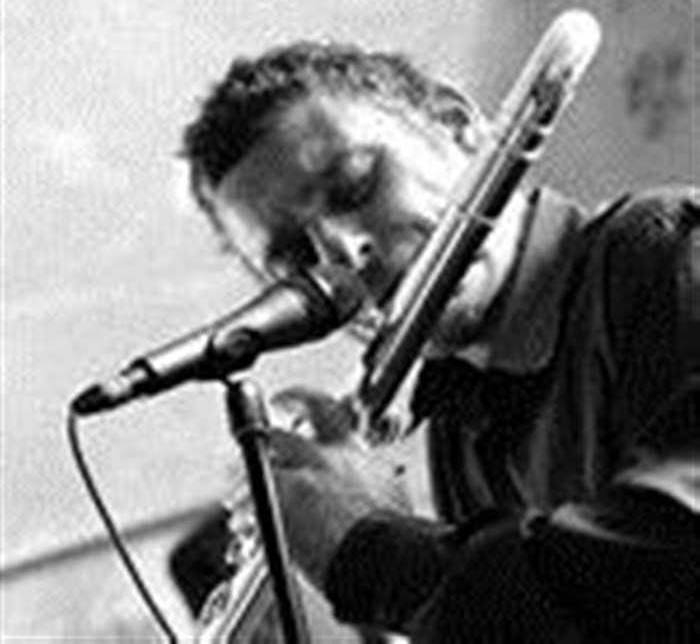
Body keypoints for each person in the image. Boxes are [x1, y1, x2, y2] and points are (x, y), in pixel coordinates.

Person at [178, 40, 699, 642]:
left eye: (353, 186)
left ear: (459, 126)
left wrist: (368, 548)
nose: (343, 255)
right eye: (296, 257)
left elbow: (672, 579)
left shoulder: (664, 254)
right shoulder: (458, 422)